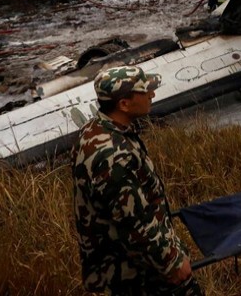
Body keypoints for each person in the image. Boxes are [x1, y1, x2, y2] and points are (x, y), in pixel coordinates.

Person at [72, 66, 202, 294]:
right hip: (136, 274)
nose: (152, 95)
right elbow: (133, 224)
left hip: (128, 265)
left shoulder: (96, 130)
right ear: (124, 104)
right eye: (145, 92)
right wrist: (170, 261)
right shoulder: (113, 156)